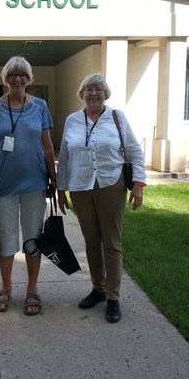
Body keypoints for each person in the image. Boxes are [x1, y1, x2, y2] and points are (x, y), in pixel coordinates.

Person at [56, 73, 145, 323]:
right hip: (81, 188)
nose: (93, 93)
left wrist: (138, 185)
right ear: (81, 94)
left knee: (112, 242)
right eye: (89, 89)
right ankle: (98, 289)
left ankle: (113, 297)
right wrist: (60, 190)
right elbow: (64, 158)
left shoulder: (117, 118)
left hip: (111, 184)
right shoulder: (72, 120)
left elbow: (134, 151)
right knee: (91, 241)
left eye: (98, 89)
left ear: (105, 93)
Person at [0, 56, 56, 316]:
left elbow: (47, 146)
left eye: (22, 74)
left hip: (34, 184)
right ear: (6, 78)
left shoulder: (40, 106)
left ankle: (32, 290)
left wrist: (54, 179)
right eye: (12, 74)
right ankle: (6, 287)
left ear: (29, 78)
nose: (17, 79)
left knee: (33, 239)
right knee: (5, 239)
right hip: (2, 186)